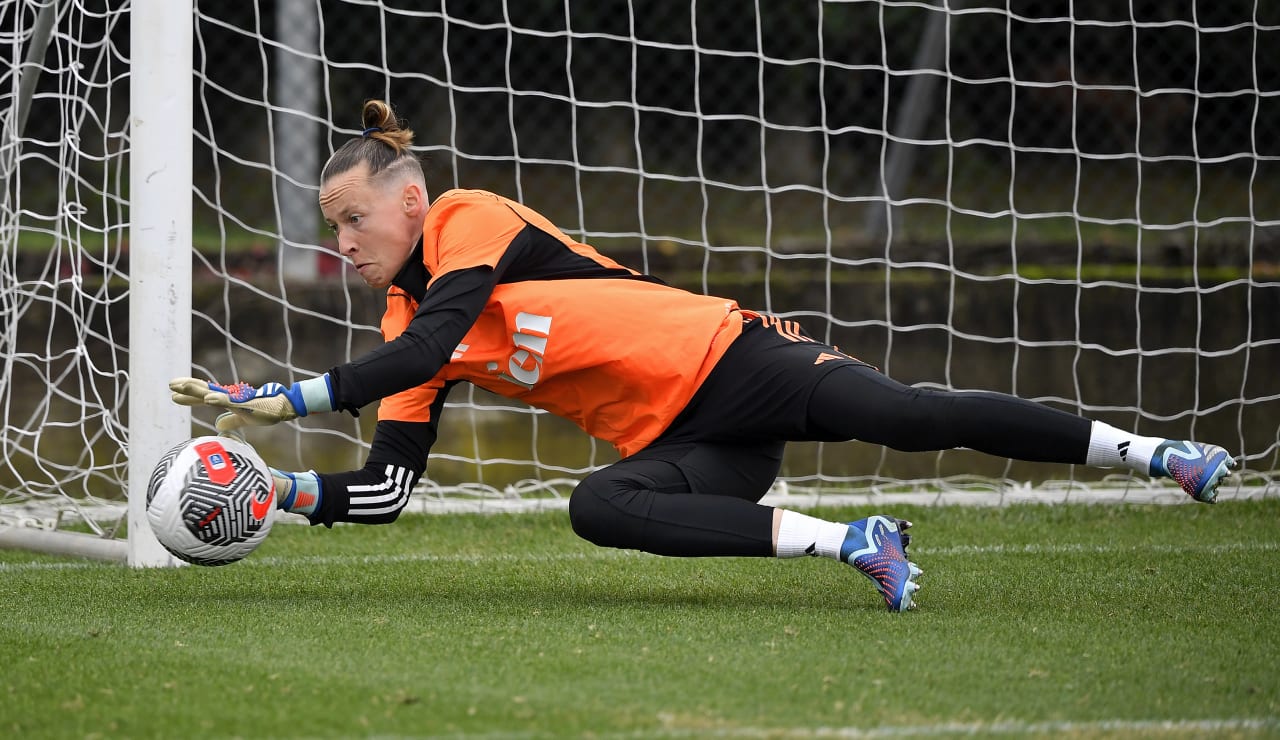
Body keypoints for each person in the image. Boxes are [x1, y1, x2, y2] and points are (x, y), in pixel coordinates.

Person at [170, 100, 1237, 612]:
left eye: (353, 220)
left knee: (908, 415)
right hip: (683, 442)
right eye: (336, 229)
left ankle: (1153, 451)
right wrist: (279, 491)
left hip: (726, 356)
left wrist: (292, 392)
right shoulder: (405, 334)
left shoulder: (464, 216)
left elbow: (442, 337)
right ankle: (854, 538)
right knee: (597, 509)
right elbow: (390, 487)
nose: (341, 246)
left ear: (405, 200)